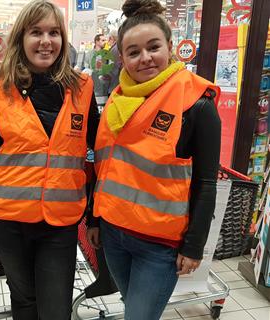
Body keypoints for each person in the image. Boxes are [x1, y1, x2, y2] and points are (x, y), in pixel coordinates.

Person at [86, 0, 221, 319]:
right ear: (122, 57)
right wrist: (94, 219)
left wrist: (194, 245)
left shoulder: (196, 106)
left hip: (159, 246)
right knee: (132, 307)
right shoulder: (116, 102)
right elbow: (104, 168)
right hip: (114, 234)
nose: (144, 57)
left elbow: (206, 183)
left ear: (170, 47)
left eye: (153, 47)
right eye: (133, 52)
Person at [0, 0, 100, 318]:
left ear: (63, 39)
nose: (46, 41)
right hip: (7, 221)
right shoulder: (1, 93)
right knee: (24, 301)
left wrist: (95, 216)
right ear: (21, 39)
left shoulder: (82, 90)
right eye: (36, 32)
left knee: (55, 309)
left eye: (54, 32)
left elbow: (97, 158)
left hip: (59, 223)